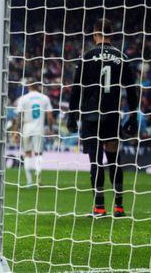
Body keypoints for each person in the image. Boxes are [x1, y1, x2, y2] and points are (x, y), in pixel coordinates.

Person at [67, 18, 139, 217]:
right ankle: (119, 207)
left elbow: (76, 90)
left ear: (94, 33)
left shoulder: (87, 56)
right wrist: (133, 117)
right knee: (114, 160)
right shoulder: (122, 57)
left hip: (91, 117)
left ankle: (99, 208)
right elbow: (132, 91)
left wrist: (72, 116)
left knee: (95, 162)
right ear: (111, 35)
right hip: (112, 117)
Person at [13, 81, 54, 186]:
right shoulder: (44, 98)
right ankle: (38, 180)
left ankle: (29, 181)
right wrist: (50, 129)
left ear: (28, 86)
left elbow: (19, 117)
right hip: (39, 129)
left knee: (27, 153)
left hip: (26, 128)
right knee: (38, 154)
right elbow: (50, 116)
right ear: (38, 86)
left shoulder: (23, 99)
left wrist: (15, 131)